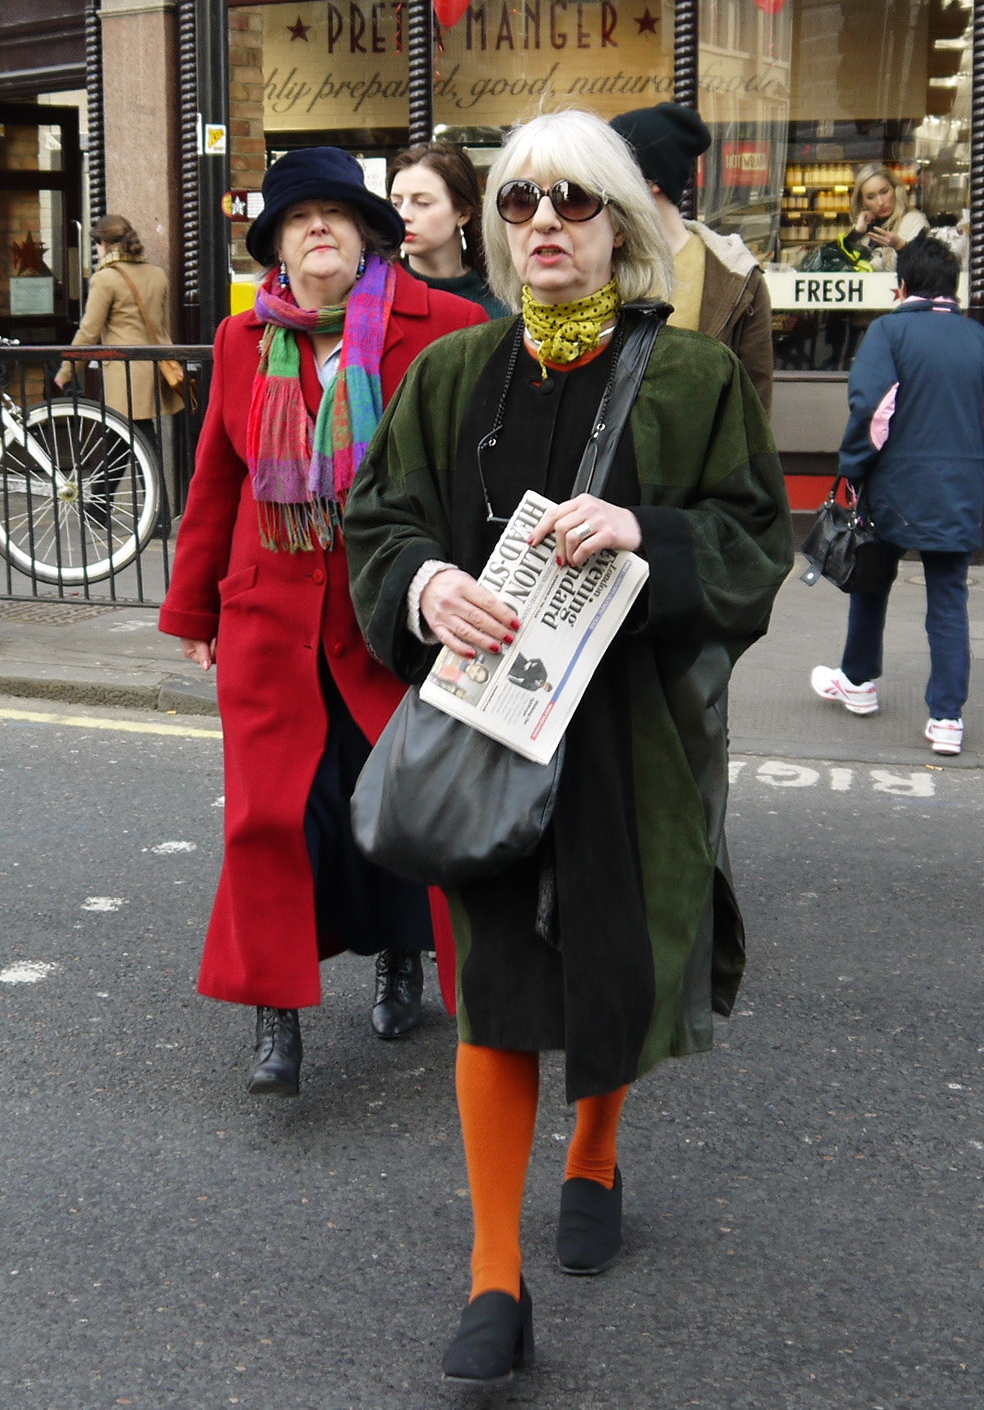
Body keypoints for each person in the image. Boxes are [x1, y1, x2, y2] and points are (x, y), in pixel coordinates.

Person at [344, 109, 793, 1385]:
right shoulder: (450, 377)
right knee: (493, 989)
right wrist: (424, 590)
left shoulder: (694, 378)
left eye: (576, 202)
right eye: (523, 201)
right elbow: (380, 524)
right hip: (491, 724)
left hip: (629, 734)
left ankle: (594, 1149)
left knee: (609, 962)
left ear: (621, 226)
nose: (545, 221)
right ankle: (495, 1273)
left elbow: (757, 544)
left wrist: (649, 533)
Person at [158, 146, 488, 1097]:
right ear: (277, 244)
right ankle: (277, 1019)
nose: (317, 230)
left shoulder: (449, 327)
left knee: (403, 803)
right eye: (298, 218)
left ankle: (403, 960)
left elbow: (478, 482)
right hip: (271, 618)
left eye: (335, 215)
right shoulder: (240, 340)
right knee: (272, 818)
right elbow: (216, 481)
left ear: (368, 232)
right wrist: (192, 605)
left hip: (398, 618)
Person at [808, 238, 984, 757]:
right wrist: (969, 468)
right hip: (957, 492)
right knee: (948, 601)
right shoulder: (981, 341)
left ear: (900, 285)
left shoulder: (889, 332)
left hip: (893, 487)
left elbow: (872, 413)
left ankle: (858, 682)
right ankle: (947, 717)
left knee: (871, 580)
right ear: (954, 287)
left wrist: (854, 471)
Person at [610, 102, 775, 412]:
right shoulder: (597, 261)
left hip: (702, 457)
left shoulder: (735, 274)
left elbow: (754, 404)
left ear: (651, 182)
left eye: (612, 170)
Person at [52, 214, 185, 427]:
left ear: (103, 243)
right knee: (140, 434)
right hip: (154, 366)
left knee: (123, 435)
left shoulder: (105, 279)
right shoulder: (157, 275)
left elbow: (88, 332)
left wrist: (66, 372)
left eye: (96, 243)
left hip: (124, 373)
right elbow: (162, 326)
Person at [389, 141, 509, 318]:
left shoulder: (501, 302)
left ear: (463, 214)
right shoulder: (379, 295)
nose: (404, 215)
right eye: (396, 203)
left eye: (423, 203)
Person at [808, 161, 927, 273]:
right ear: (862, 201)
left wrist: (901, 247)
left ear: (895, 189)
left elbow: (927, 270)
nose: (880, 202)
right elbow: (826, 265)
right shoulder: (863, 226)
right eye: (871, 197)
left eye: (884, 192)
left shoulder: (914, 220)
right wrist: (854, 236)